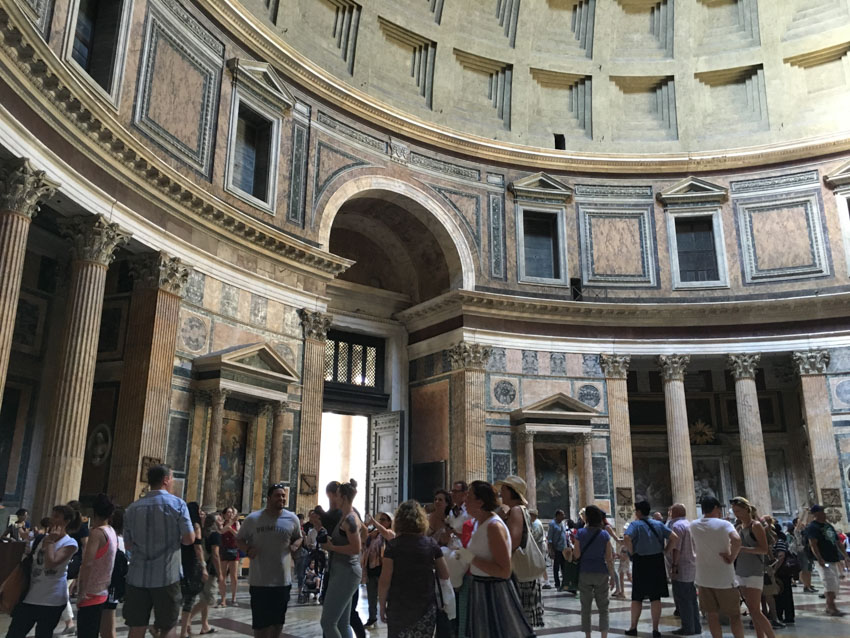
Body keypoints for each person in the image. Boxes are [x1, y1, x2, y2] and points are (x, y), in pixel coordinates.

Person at [123, 463, 195, 638]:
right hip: (167, 575)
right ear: (165, 480)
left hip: (137, 576)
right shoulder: (177, 504)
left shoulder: (132, 508)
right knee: (168, 625)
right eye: (171, 478)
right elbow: (189, 539)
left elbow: (128, 545)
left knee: (136, 626)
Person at [455, 480, 534, 638]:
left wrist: (470, 558)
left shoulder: (493, 526)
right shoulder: (478, 523)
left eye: (469, 496)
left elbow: (504, 571)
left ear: (480, 501)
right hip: (479, 587)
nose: (465, 501)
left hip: (494, 592)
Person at [236, 483, 302, 638]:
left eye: (283, 496)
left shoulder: (292, 518)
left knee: (278, 622)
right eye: (278, 495)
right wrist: (247, 550)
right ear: (269, 498)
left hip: (282, 580)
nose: (282, 498)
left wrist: (295, 545)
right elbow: (239, 539)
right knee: (260, 624)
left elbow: (299, 536)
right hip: (260, 581)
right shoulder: (253, 519)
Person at [5, 504, 81, 638]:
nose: (52, 519)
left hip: (52, 599)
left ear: (66, 521)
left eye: (57, 516)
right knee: (14, 633)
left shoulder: (70, 543)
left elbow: (51, 563)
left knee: (44, 634)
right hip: (30, 595)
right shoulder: (40, 538)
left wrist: (51, 541)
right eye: (52, 515)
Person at [378, 500, 450, 637]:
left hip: (399, 607)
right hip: (425, 607)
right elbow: (445, 574)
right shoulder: (431, 544)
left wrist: (382, 606)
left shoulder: (393, 546)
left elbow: (384, 580)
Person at [690, 497, 743, 638]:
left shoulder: (693, 525)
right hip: (724, 577)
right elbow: (737, 540)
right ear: (715, 508)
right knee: (734, 615)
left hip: (703, 577)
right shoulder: (724, 524)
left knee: (711, 615)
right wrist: (732, 557)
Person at [623, 500, 677, 638]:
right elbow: (675, 538)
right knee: (655, 597)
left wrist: (632, 552)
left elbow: (627, 537)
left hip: (641, 561)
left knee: (637, 597)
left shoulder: (635, 524)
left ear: (639, 512)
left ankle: (633, 627)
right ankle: (655, 629)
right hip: (657, 561)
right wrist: (665, 551)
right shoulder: (658, 524)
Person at [497, 476, 544, 628]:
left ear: (512, 492)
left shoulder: (516, 511)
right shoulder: (518, 511)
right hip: (523, 573)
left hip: (520, 574)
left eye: (504, 489)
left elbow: (513, 541)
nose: (501, 492)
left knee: (519, 622)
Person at [319, 481, 363, 638]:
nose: (334, 498)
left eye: (336, 495)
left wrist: (332, 548)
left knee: (327, 623)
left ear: (343, 497)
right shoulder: (349, 516)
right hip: (342, 570)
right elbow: (363, 534)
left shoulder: (350, 519)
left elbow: (355, 548)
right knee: (342, 623)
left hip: (346, 572)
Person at [566, 505, 615, 638]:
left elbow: (576, 555)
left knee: (586, 608)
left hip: (585, 572)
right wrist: (613, 577)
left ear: (587, 517)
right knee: (603, 608)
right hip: (601, 572)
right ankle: (604, 636)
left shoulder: (580, 533)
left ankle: (588, 636)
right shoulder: (604, 534)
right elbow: (609, 558)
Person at [729, 496, 775, 638]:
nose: (736, 514)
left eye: (738, 511)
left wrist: (743, 549)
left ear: (746, 510)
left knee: (755, 609)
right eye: (734, 511)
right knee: (751, 608)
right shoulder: (738, 527)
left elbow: (763, 549)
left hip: (754, 571)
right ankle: (759, 635)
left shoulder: (755, 526)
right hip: (741, 570)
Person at [76, 494, 118, 638]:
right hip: (103, 590)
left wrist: (82, 591)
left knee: (86, 632)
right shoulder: (111, 531)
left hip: (91, 592)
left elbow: (88, 563)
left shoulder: (97, 533)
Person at [806, 503, 848, 616]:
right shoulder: (812, 527)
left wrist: (845, 555)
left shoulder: (828, 526)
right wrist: (819, 558)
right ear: (815, 514)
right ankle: (831, 607)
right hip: (823, 560)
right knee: (829, 582)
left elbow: (837, 542)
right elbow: (813, 544)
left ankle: (829, 605)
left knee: (835, 583)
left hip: (833, 558)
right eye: (821, 512)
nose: (824, 514)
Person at [667, 503, 700, 636]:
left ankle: (688, 628)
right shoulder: (690, 524)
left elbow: (676, 548)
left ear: (674, 513)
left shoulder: (677, 526)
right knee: (692, 599)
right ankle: (696, 627)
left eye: (670, 512)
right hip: (691, 565)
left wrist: (674, 566)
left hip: (681, 566)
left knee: (683, 599)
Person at [178, 503, 207, 638]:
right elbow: (198, 548)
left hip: (181, 561)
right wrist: (203, 566)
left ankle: (160, 626)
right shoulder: (196, 526)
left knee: (180, 597)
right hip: (193, 564)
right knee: (190, 598)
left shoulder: (182, 525)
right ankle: (183, 632)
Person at [362, 512, 394, 627]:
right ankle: (372, 617)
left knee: (386, 595)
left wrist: (374, 522)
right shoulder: (373, 535)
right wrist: (365, 524)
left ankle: (389, 616)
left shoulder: (390, 533)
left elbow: (385, 533)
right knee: (371, 595)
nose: (381, 521)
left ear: (390, 522)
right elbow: (363, 538)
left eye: (384, 519)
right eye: (380, 519)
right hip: (371, 569)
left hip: (383, 569)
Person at [99, 508, 126, 638]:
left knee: (107, 624)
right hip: (113, 585)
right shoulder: (121, 539)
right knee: (108, 623)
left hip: (108, 585)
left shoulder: (113, 539)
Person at [771, 524, 795, 626]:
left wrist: (774, 570)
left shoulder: (779, 541)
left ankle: (788, 616)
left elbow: (781, 556)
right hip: (779, 572)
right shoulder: (774, 542)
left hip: (782, 572)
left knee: (784, 594)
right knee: (779, 594)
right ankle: (779, 614)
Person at [218, 507, 240, 607]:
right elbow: (222, 531)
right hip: (224, 550)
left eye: (231, 512)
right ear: (224, 514)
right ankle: (223, 599)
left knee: (234, 576)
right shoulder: (221, 522)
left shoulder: (237, 524)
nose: (230, 514)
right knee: (223, 576)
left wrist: (231, 528)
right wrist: (230, 525)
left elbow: (238, 535)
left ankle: (234, 597)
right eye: (228, 512)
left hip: (234, 550)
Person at [528, 510, 550, 589]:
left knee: (539, 564)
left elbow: (535, 537)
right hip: (539, 546)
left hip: (538, 546)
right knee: (540, 564)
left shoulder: (536, 524)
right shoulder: (536, 522)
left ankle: (543, 581)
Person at [546, 510, 568, 591]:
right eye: (562, 515)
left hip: (564, 548)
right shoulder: (552, 524)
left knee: (564, 567)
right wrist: (551, 550)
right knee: (556, 567)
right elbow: (550, 538)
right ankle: (557, 584)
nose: (564, 516)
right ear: (557, 515)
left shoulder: (562, 523)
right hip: (557, 548)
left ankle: (564, 583)